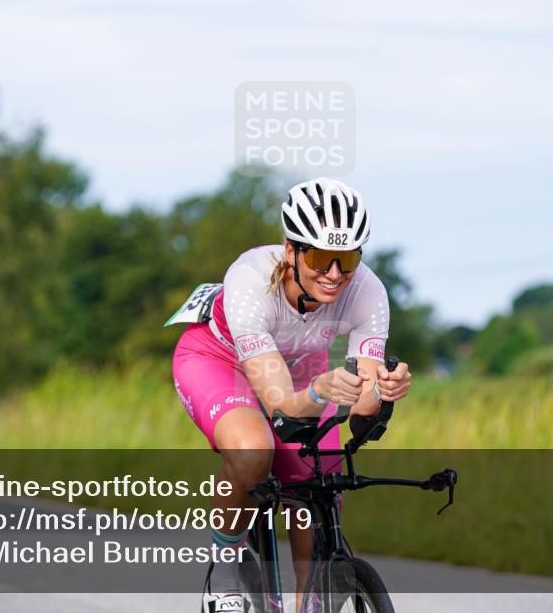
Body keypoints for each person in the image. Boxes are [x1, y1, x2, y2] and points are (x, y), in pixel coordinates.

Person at [169, 177, 412, 613]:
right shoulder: (249, 279)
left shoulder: (368, 291)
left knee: (319, 477)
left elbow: (363, 407)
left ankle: (311, 599)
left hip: (300, 366)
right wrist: (319, 390)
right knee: (253, 451)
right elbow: (281, 405)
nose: (334, 274)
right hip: (219, 361)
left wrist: (383, 389)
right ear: (291, 250)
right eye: (319, 257)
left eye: (347, 259)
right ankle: (224, 575)